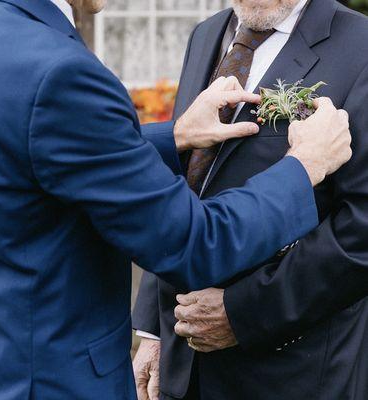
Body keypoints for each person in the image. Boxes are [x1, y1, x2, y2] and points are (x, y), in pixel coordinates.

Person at [0, 0, 351, 399]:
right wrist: (303, 167)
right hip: (50, 378)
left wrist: (176, 135)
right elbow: (191, 240)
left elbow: (23, 151)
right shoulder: (59, 72)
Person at [133, 0, 368, 399]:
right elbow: (182, 186)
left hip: (292, 372)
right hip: (183, 367)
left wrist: (243, 313)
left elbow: (361, 231)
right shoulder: (206, 35)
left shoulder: (360, 46)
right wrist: (152, 329)